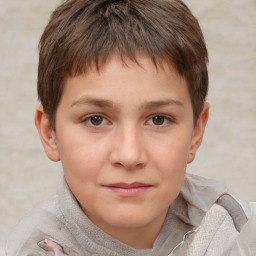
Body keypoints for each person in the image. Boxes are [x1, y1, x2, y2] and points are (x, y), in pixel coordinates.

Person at [5, 0, 256, 255]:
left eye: (158, 119)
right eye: (96, 119)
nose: (129, 155)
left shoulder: (239, 230)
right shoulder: (33, 249)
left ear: (195, 132)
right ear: (50, 134)